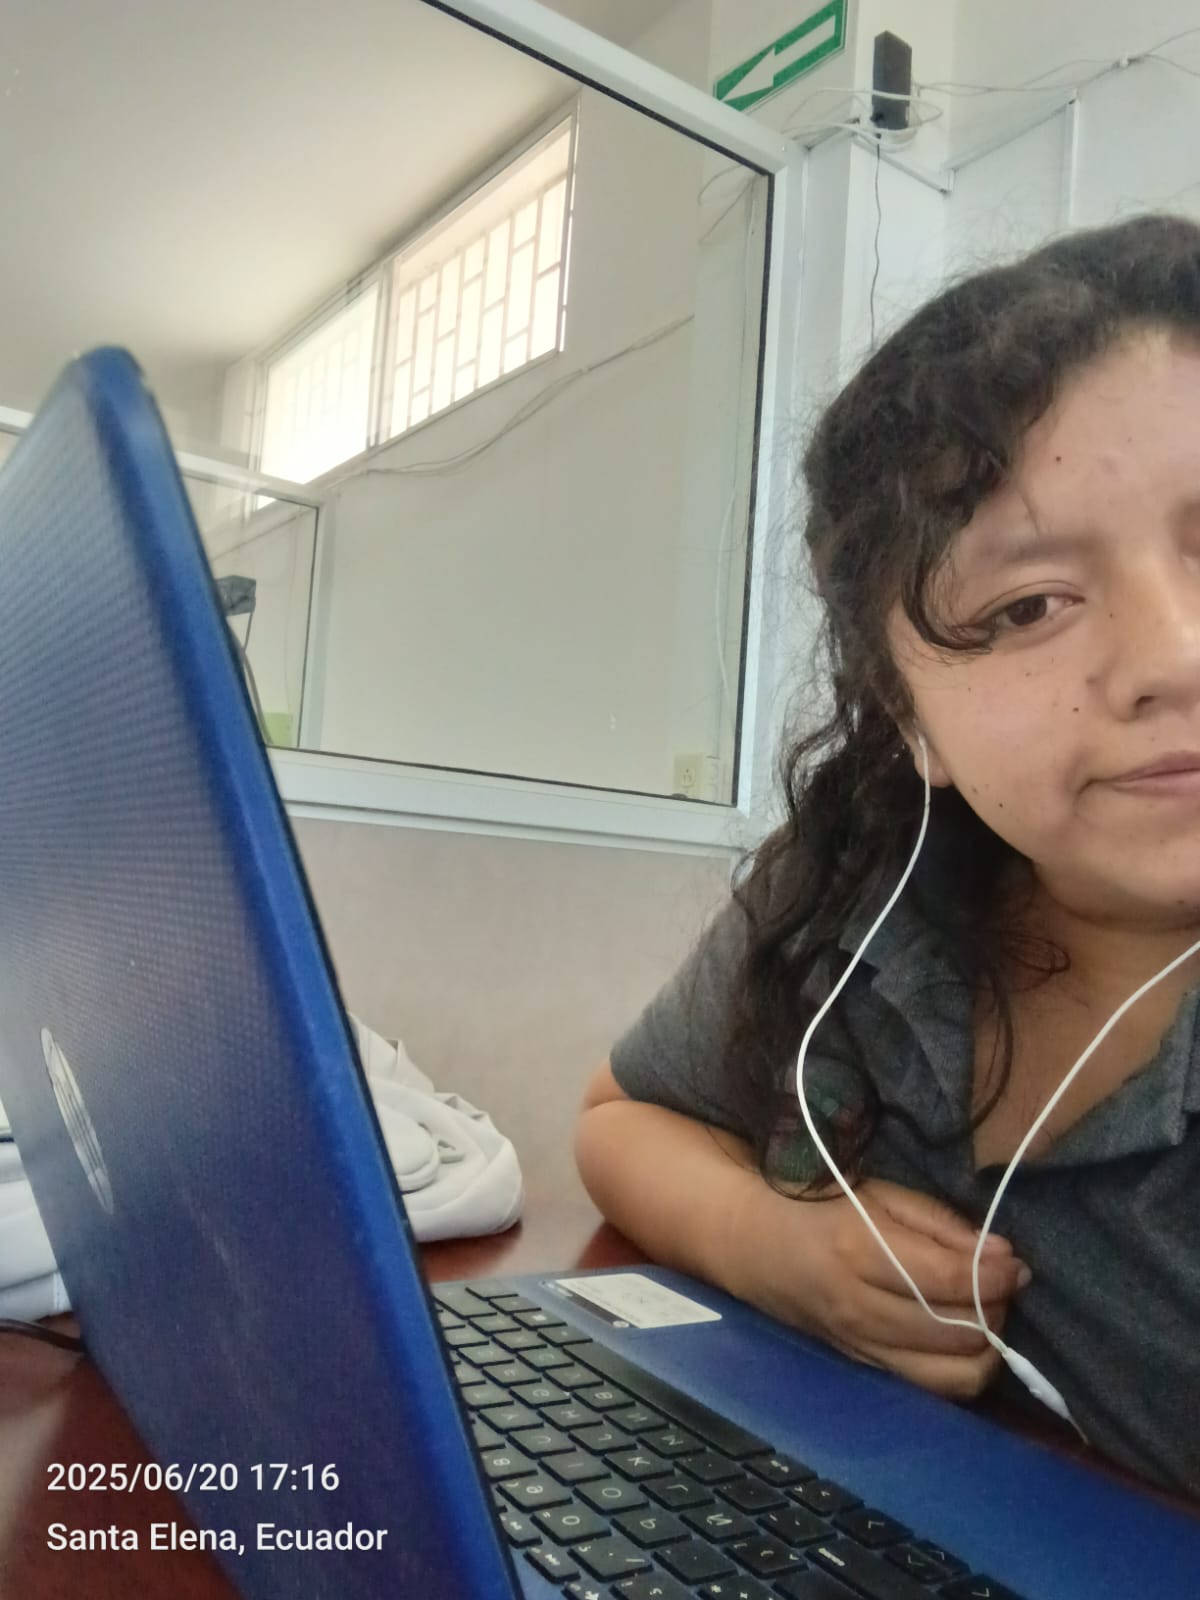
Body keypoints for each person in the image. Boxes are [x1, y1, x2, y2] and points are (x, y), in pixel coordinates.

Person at [575, 212, 1200, 1500]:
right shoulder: (866, 882)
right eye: (1027, 604)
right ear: (910, 717)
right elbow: (619, 1118)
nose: (1172, 658)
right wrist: (772, 1245)